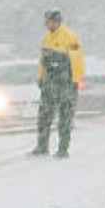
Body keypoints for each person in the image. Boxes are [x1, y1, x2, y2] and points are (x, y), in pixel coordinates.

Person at [32, 9, 84, 158]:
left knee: (65, 116)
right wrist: (40, 78)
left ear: (57, 21)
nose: (47, 23)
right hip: (49, 82)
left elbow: (77, 61)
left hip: (65, 82)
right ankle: (42, 146)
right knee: (44, 115)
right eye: (46, 21)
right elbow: (43, 61)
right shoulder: (46, 38)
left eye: (49, 21)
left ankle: (63, 149)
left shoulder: (70, 37)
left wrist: (74, 81)